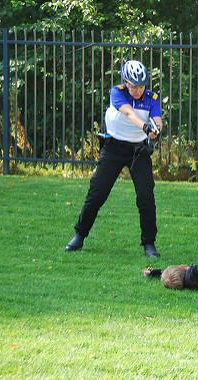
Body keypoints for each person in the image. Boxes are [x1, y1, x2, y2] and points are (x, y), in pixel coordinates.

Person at [65, 60, 163, 257]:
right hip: (114, 149)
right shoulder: (116, 92)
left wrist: (156, 131)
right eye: (134, 86)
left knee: (146, 197)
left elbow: (157, 119)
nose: (138, 90)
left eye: (142, 86)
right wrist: (145, 127)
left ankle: (149, 244)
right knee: (97, 193)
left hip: (138, 151)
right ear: (125, 82)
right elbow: (128, 113)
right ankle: (79, 235)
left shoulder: (152, 97)